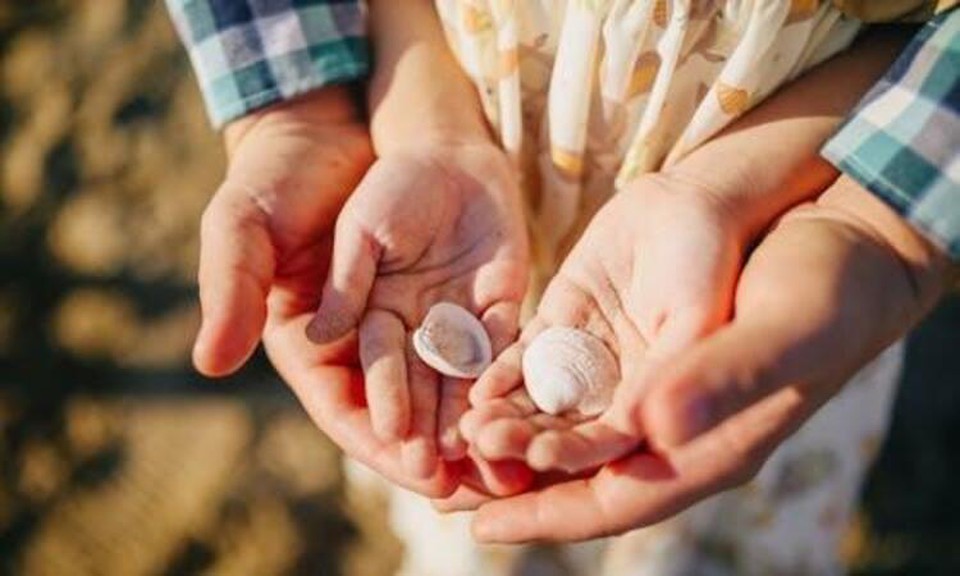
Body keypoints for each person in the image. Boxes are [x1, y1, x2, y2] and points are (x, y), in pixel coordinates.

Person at [165, 0, 958, 573]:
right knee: (470, 485)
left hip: (752, 258)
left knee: (701, 523)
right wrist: (328, 111)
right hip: (463, 186)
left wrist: (882, 224)